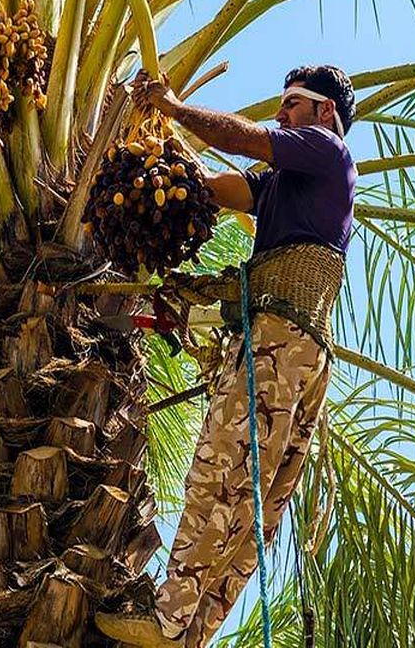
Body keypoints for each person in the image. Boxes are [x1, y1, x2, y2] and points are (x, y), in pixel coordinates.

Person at [95, 65, 358, 648]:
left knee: (218, 471)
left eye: (293, 104)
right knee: (254, 508)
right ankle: (187, 637)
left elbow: (242, 138)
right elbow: (212, 187)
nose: (281, 114)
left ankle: (167, 621)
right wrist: (149, 154)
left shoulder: (327, 151)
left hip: (277, 342)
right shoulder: (282, 188)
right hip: (300, 354)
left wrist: (173, 108)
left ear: (325, 114)